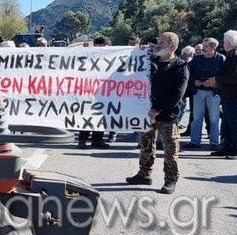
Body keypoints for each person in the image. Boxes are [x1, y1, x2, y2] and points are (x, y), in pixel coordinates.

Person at [125, 32, 189, 194]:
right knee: (145, 145)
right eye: (158, 41)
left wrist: (158, 109)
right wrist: (138, 52)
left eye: (162, 42)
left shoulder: (180, 66)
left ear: (172, 46)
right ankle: (144, 174)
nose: (158, 44)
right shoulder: (150, 61)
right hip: (147, 112)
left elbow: (177, 94)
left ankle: (170, 180)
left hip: (167, 115)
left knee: (170, 150)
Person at [204, 30, 237, 159]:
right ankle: (226, 147)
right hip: (229, 92)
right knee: (227, 122)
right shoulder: (236, 52)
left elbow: (235, 76)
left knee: (235, 122)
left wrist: (216, 80)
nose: (223, 44)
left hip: (234, 93)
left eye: (225, 42)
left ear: (230, 43)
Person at [185, 38, 224, 150]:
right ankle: (194, 141)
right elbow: (188, 74)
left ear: (213, 47)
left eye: (206, 46)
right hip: (198, 92)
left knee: (214, 118)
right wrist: (194, 81)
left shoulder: (221, 59)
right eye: (203, 45)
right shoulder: (196, 59)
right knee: (196, 118)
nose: (203, 48)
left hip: (214, 93)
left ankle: (214, 142)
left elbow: (224, 75)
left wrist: (215, 81)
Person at [78, 37, 112, 149]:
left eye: (104, 45)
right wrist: (85, 51)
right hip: (88, 91)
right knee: (87, 115)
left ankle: (97, 140)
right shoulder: (89, 55)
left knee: (101, 116)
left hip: (105, 92)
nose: (101, 48)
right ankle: (82, 139)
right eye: (99, 45)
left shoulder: (113, 57)